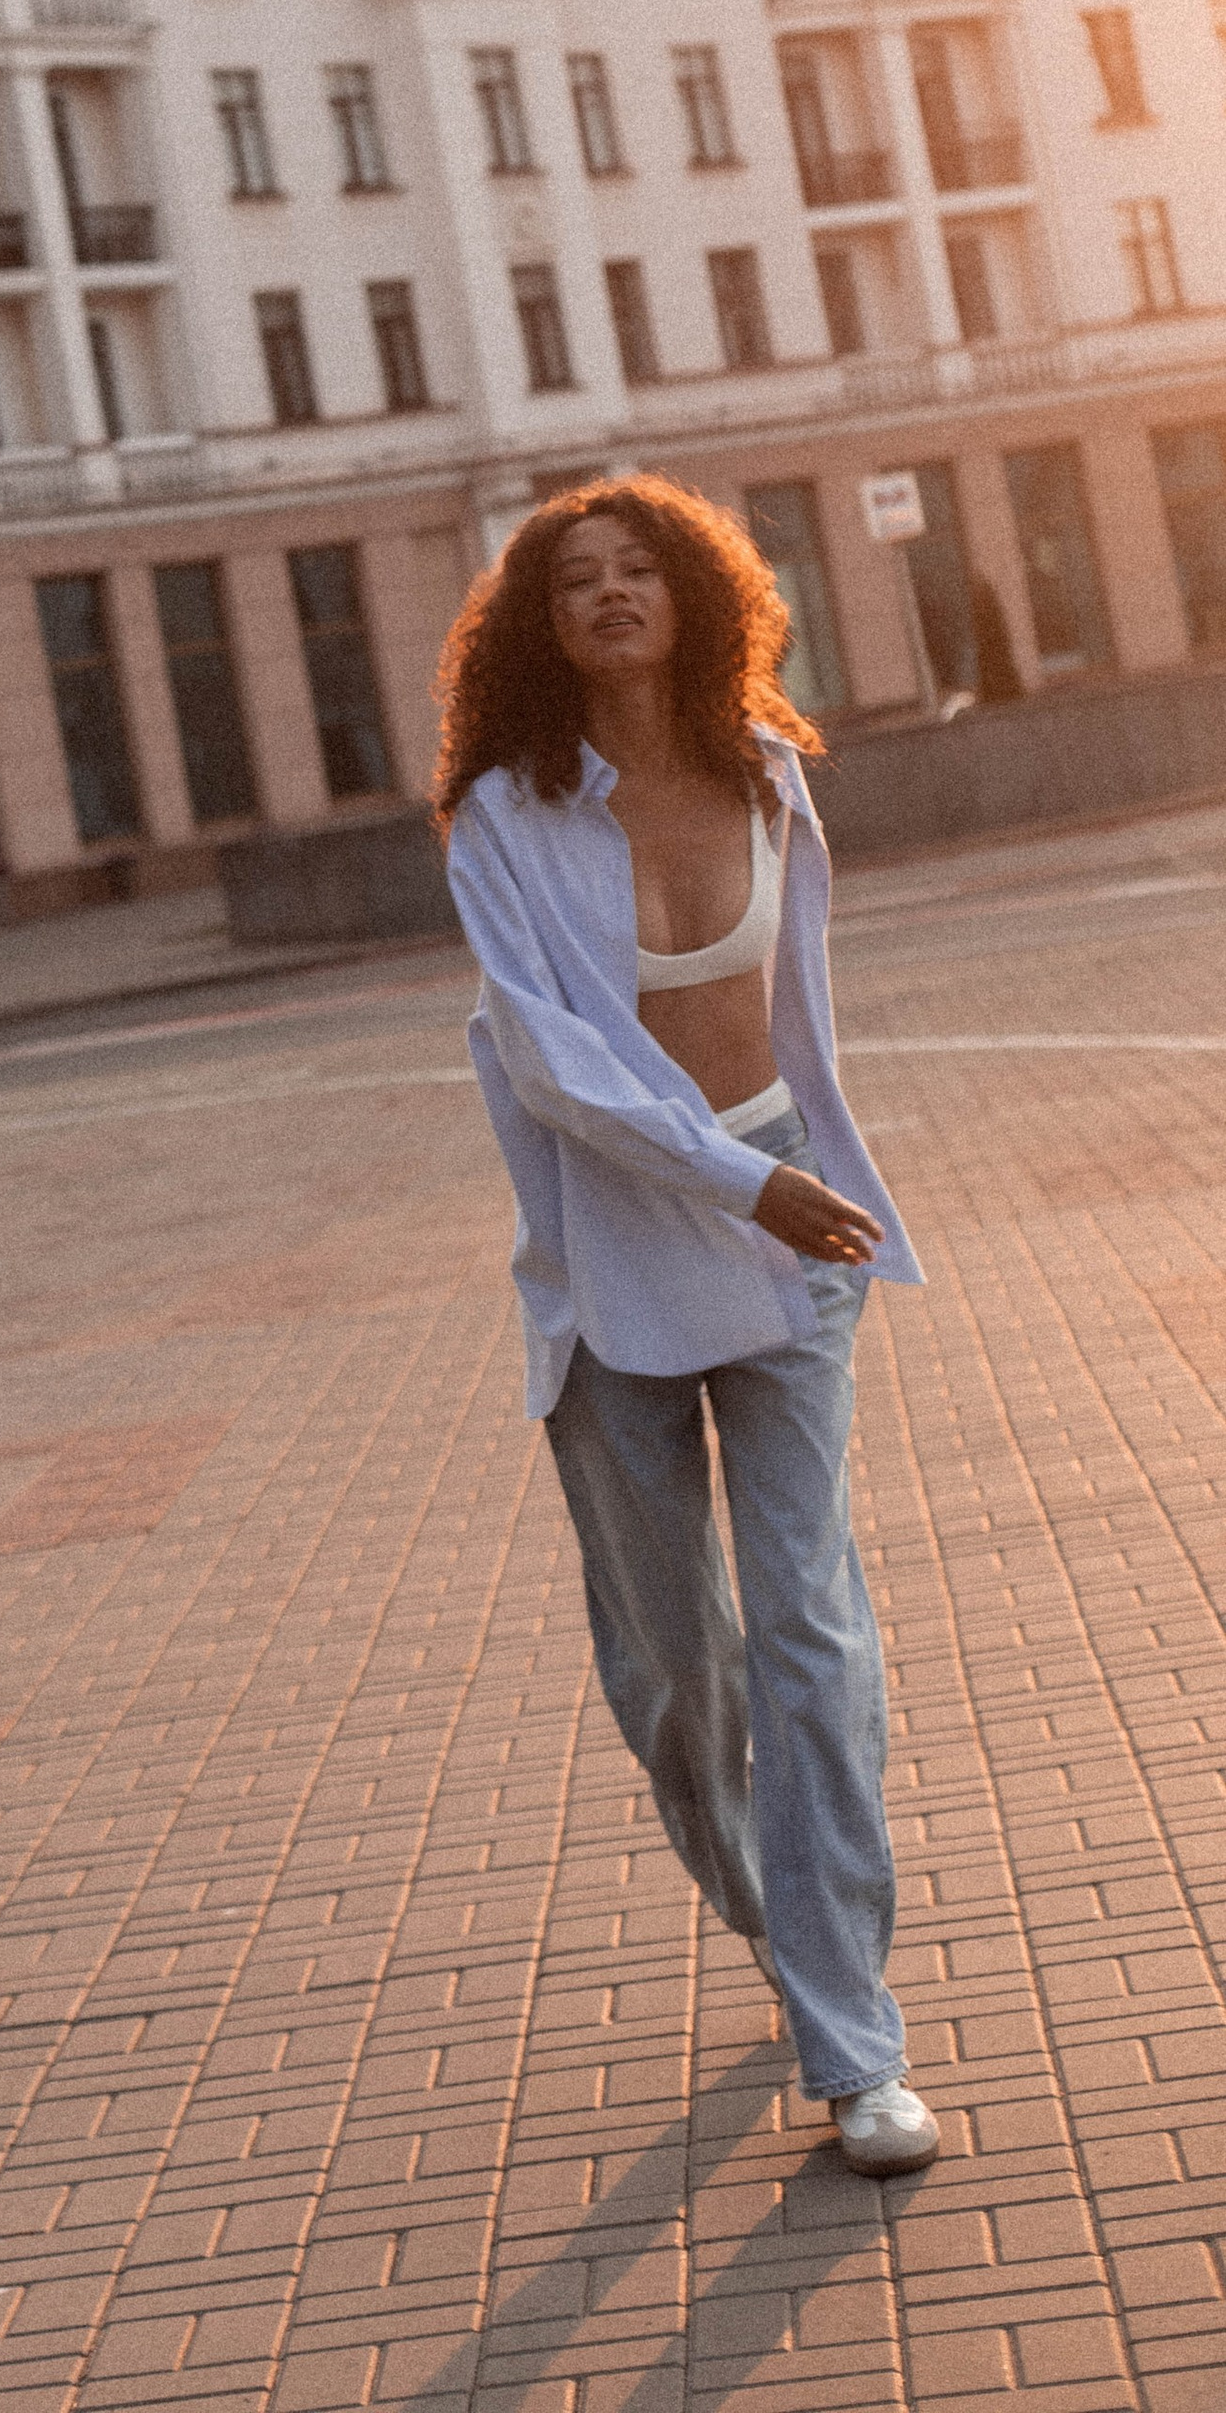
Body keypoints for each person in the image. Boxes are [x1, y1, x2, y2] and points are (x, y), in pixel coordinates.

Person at [435, 474, 938, 2176]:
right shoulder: (500, 819)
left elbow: (799, 1015)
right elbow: (560, 1070)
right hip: (621, 1237)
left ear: (696, 591)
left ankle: (848, 2029)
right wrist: (741, 1186)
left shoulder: (768, 773)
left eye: (639, 564)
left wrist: (791, 1185)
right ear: (539, 622)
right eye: (574, 577)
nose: (610, 592)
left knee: (808, 1622)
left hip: (792, 1220)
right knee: (677, 1666)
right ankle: (770, 1902)